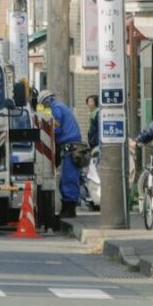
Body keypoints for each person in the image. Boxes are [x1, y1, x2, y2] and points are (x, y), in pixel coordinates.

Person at [42, 91, 85, 232]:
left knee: (69, 178)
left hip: (71, 147)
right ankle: (67, 208)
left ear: (47, 101)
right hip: (70, 146)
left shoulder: (57, 109)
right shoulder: (60, 106)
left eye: (44, 105)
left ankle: (69, 209)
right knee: (66, 178)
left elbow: (57, 129)